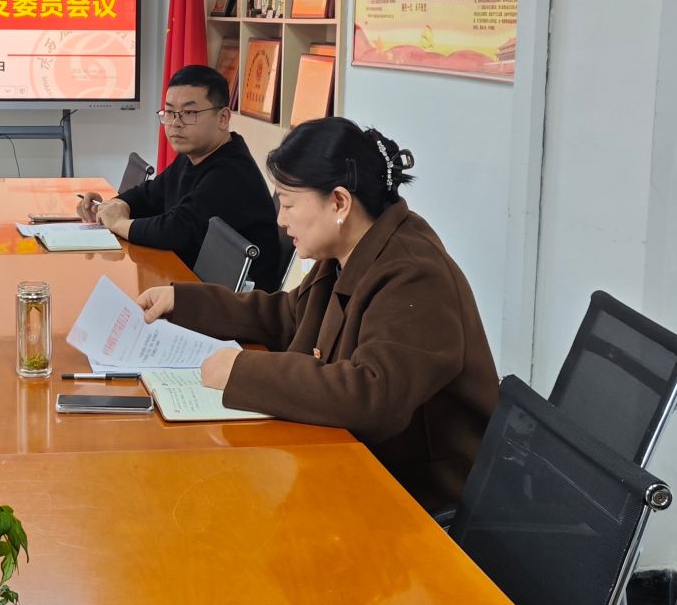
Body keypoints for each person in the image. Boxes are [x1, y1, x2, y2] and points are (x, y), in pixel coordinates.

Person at [136, 117, 499, 511]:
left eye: (289, 203)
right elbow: (289, 315)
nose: (280, 219)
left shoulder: (414, 274)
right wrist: (183, 302)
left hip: (414, 493)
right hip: (354, 462)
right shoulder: (348, 247)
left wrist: (241, 371)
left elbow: (373, 396)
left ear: (339, 202)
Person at [79, 64, 282, 291]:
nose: (176, 123)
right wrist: (112, 206)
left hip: (234, 305)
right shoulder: (192, 156)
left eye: (189, 113)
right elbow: (149, 195)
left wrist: (118, 223)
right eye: (169, 113)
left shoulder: (231, 173)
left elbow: (175, 231)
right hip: (197, 286)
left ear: (223, 118)